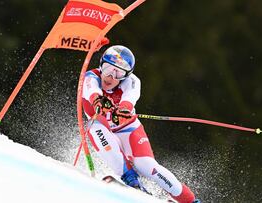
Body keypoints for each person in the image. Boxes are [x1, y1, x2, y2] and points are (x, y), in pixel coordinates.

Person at [82, 45, 200, 203]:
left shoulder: (132, 82)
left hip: (128, 129)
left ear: (126, 75)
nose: (110, 76)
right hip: (101, 127)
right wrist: (98, 100)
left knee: (147, 166)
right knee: (95, 129)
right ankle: (132, 182)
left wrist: (123, 109)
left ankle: (190, 201)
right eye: (108, 68)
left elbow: (129, 99)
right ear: (101, 65)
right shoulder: (90, 77)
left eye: (118, 73)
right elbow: (91, 91)